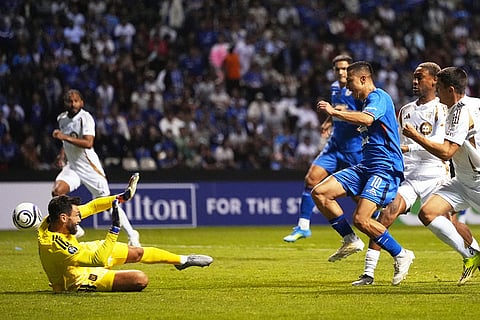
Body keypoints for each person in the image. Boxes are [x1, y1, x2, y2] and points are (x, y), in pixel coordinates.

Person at [352, 62, 479, 286]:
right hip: (420, 175)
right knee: (397, 214)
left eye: (420, 78)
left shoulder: (449, 110)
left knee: (450, 221)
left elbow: (446, 149)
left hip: (437, 173)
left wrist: (411, 143)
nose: (415, 82)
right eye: (414, 77)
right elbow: (398, 144)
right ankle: (369, 272)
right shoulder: (407, 111)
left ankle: (473, 250)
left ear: (436, 83)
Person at [312, 61, 414, 285]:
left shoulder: (379, 97)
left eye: (350, 82)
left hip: (385, 168)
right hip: (366, 166)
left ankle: (401, 254)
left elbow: (367, 119)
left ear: (364, 79)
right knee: (320, 192)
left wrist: (333, 111)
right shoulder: (366, 102)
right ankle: (350, 240)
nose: (349, 89)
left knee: (361, 218)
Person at [38, 173, 214, 293]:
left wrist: (121, 197)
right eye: (76, 215)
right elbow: (96, 260)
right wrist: (115, 228)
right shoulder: (58, 246)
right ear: (63, 218)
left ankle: (182, 260)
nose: (80, 218)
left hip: (81, 252)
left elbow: (92, 206)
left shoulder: (51, 220)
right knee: (140, 279)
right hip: (78, 277)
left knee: (136, 252)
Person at [402, 66, 480, 285]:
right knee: (427, 213)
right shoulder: (476, 103)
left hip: (478, 183)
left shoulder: (459, 111)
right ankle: (471, 255)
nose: (437, 93)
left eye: (440, 88)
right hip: (462, 182)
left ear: (450, 89)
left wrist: (415, 136)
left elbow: (446, 152)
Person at [283, 54, 363, 243]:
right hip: (334, 146)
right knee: (311, 179)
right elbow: (337, 108)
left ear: (351, 70)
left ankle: (374, 222)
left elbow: (365, 116)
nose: (341, 72)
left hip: (353, 149)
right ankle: (303, 227)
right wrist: (329, 121)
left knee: (358, 197)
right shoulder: (335, 88)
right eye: (338, 69)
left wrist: (341, 114)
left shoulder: (359, 91)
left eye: (345, 68)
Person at [52, 89, 140, 246]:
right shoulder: (62, 119)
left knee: (107, 204)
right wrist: (61, 156)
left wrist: (63, 136)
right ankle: (75, 228)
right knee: (57, 192)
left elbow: (88, 143)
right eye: (69, 101)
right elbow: (65, 142)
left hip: (89, 167)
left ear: (81, 102)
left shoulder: (85, 118)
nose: (72, 104)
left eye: (75, 101)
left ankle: (132, 234)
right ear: (64, 103)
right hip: (72, 167)